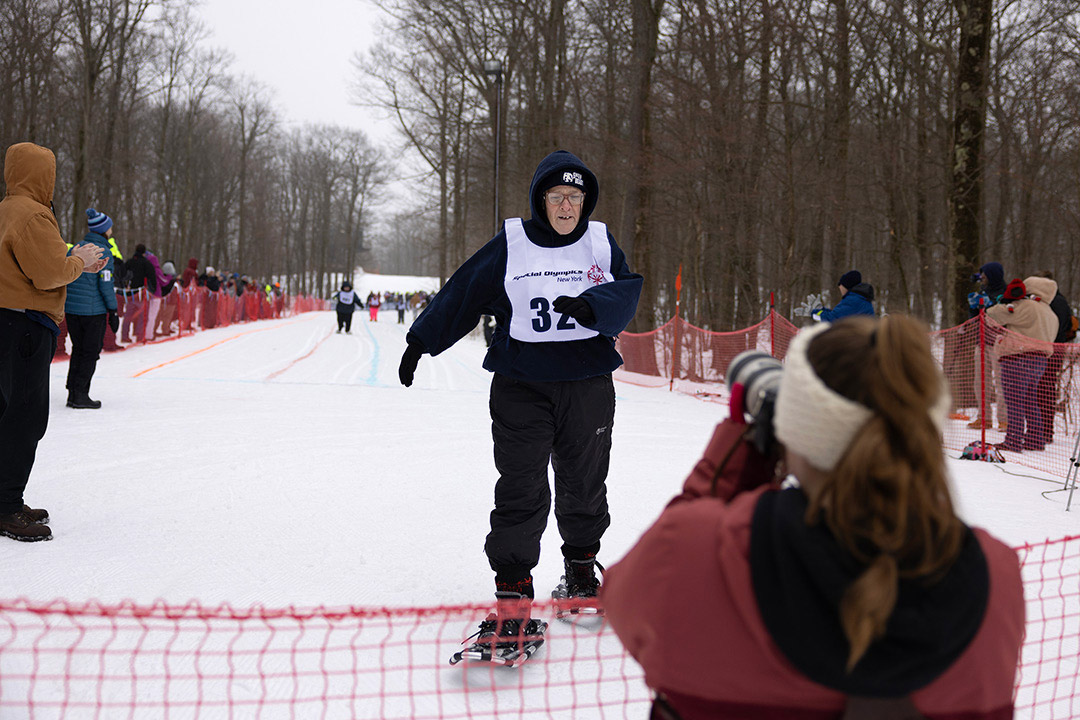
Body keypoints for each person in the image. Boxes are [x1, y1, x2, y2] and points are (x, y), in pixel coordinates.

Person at [603, 315, 1024, 719]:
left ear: (795, 431)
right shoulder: (995, 574)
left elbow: (624, 600)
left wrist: (737, 451)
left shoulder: (693, 547)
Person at [398, 149, 642, 652]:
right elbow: (464, 291)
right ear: (541, 200)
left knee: (584, 478)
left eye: (575, 197)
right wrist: (420, 340)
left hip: (587, 382)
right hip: (521, 383)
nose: (567, 206)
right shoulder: (511, 243)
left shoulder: (599, 242)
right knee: (521, 486)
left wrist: (592, 305)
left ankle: (580, 573)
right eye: (558, 196)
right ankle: (514, 592)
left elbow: (627, 293)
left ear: (585, 202)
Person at [0, 142, 106, 541]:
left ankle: (5, 497)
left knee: (5, 411)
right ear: (41, 175)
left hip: (6, 320)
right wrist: (80, 260)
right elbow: (47, 274)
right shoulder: (34, 215)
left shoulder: (5, 209)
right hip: (25, 324)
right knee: (24, 419)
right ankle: (7, 506)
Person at [986, 277, 1059, 452]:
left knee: (1014, 401)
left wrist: (1005, 301)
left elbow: (993, 315)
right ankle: (1035, 440)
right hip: (1040, 361)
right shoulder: (1051, 314)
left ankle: (1013, 440)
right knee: (1030, 401)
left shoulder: (1026, 306)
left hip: (1017, 357)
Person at [63, 208, 119, 409]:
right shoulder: (104, 252)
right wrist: (113, 310)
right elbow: (105, 284)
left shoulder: (76, 248)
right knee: (90, 352)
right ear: (104, 230)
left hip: (72, 310)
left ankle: (72, 392)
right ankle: (81, 394)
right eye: (110, 227)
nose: (112, 230)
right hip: (93, 311)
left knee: (78, 349)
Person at [1033, 271, 1074, 444]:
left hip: (1050, 349)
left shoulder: (1053, 302)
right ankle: (1045, 430)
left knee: (1043, 390)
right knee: (1047, 389)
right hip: (1058, 348)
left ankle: (1044, 430)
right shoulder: (1061, 301)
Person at [967, 261, 1009, 430]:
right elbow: (977, 316)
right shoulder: (983, 290)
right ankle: (983, 417)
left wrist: (992, 305)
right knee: (980, 381)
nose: (982, 279)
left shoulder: (1005, 293)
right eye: (981, 276)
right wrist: (973, 307)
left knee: (1001, 382)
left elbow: (1006, 316)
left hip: (999, 342)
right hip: (982, 341)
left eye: (984, 276)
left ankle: (1004, 419)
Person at [121, 244, 154, 342]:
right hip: (141, 293)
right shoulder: (146, 263)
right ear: (144, 252)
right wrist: (152, 290)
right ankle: (140, 336)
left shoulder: (129, 262)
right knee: (142, 316)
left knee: (128, 315)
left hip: (131, 293)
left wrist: (125, 285)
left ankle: (124, 336)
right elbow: (152, 277)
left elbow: (123, 274)